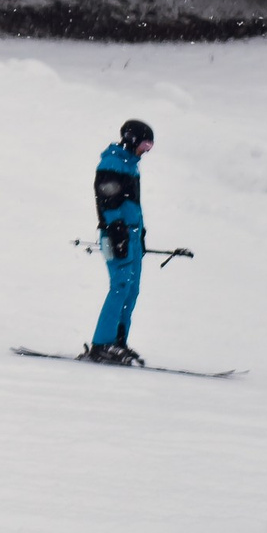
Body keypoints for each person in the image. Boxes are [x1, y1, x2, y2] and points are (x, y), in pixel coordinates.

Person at [87, 118, 157, 363]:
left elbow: (132, 204)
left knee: (131, 289)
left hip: (132, 235)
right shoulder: (112, 163)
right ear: (132, 139)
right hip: (113, 235)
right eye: (145, 145)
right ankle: (101, 343)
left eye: (150, 147)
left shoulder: (131, 165)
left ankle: (118, 341)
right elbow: (106, 200)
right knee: (120, 286)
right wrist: (116, 229)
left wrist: (141, 232)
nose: (145, 151)